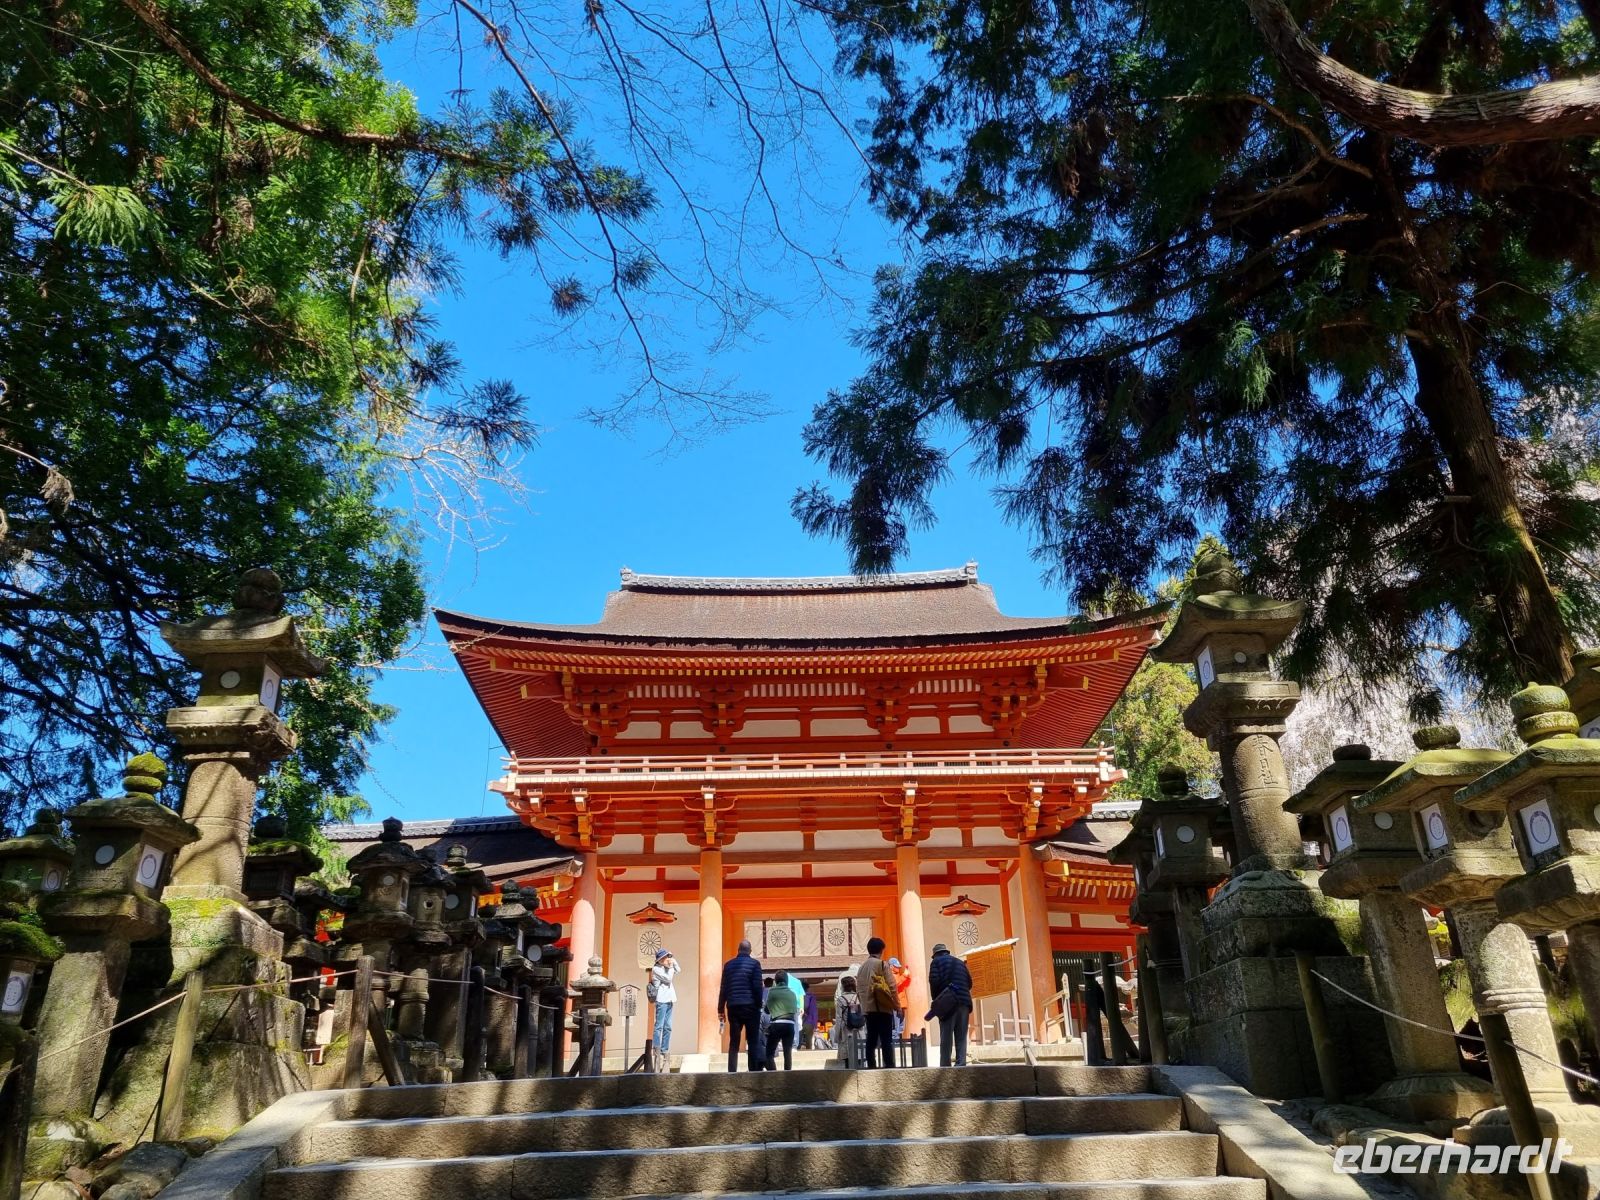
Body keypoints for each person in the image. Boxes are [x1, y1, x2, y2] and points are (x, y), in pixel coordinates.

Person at [717, 939, 765, 1072]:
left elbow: (723, 988)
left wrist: (720, 1009)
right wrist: (759, 1004)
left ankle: (732, 1071)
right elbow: (757, 987)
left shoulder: (728, 965)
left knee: (734, 1041)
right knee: (753, 1041)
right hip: (751, 1007)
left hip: (733, 1006)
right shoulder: (755, 964)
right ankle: (753, 1071)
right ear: (750, 951)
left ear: (738, 951)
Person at [926, 942, 973, 1067]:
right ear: (946, 952)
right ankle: (961, 1064)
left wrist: (937, 1000)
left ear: (935, 955)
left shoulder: (936, 962)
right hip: (964, 1002)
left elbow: (934, 981)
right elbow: (969, 982)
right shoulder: (960, 963)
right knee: (961, 1036)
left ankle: (945, 1066)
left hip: (947, 1004)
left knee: (946, 1036)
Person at [856, 937, 901, 1068]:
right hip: (883, 1007)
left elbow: (859, 989)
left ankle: (871, 1066)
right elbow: (892, 986)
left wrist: (864, 1006)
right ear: (881, 950)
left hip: (869, 1010)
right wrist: (897, 1006)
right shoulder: (882, 964)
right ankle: (889, 1066)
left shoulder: (861, 967)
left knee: (871, 1039)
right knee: (886, 1039)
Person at [648, 947, 681, 1060]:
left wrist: (673, 959)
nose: (666, 959)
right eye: (664, 957)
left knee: (668, 1026)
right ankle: (657, 1048)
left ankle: (664, 1049)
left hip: (670, 999)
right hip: (661, 1000)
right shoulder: (656, 969)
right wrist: (670, 966)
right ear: (659, 960)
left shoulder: (666, 967)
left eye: (666, 957)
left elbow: (678, 970)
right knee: (659, 1026)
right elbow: (668, 979)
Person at [764, 969, 800, 1070]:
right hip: (789, 1025)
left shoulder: (772, 991)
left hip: (776, 1024)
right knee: (787, 1053)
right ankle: (787, 1078)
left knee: (769, 1053)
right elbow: (794, 1011)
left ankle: (773, 1075)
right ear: (787, 980)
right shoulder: (792, 993)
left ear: (775, 981)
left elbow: (767, 1010)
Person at [833, 974, 863, 1064]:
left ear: (843, 986)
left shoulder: (841, 999)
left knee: (848, 1057)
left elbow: (838, 1018)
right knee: (860, 1055)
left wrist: (837, 1036)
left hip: (846, 1030)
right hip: (860, 1029)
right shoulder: (860, 998)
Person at [889, 957, 911, 1036]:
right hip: (895, 1005)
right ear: (891, 966)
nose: (898, 967)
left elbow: (906, 984)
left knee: (901, 1026)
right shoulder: (890, 976)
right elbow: (895, 984)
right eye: (896, 966)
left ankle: (899, 1043)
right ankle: (895, 1043)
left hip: (902, 1004)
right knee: (896, 1027)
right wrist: (904, 975)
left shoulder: (899, 975)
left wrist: (908, 977)